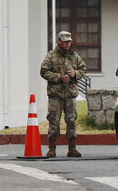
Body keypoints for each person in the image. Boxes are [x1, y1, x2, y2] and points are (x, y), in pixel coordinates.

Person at [39, 30, 87, 158]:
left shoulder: (74, 56)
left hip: (70, 94)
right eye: (65, 42)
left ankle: (72, 148)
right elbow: (44, 71)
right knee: (54, 121)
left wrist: (75, 74)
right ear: (59, 42)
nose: (67, 44)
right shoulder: (51, 56)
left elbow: (83, 69)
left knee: (71, 121)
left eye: (69, 42)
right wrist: (59, 77)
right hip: (56, 95)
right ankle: (52, 148)